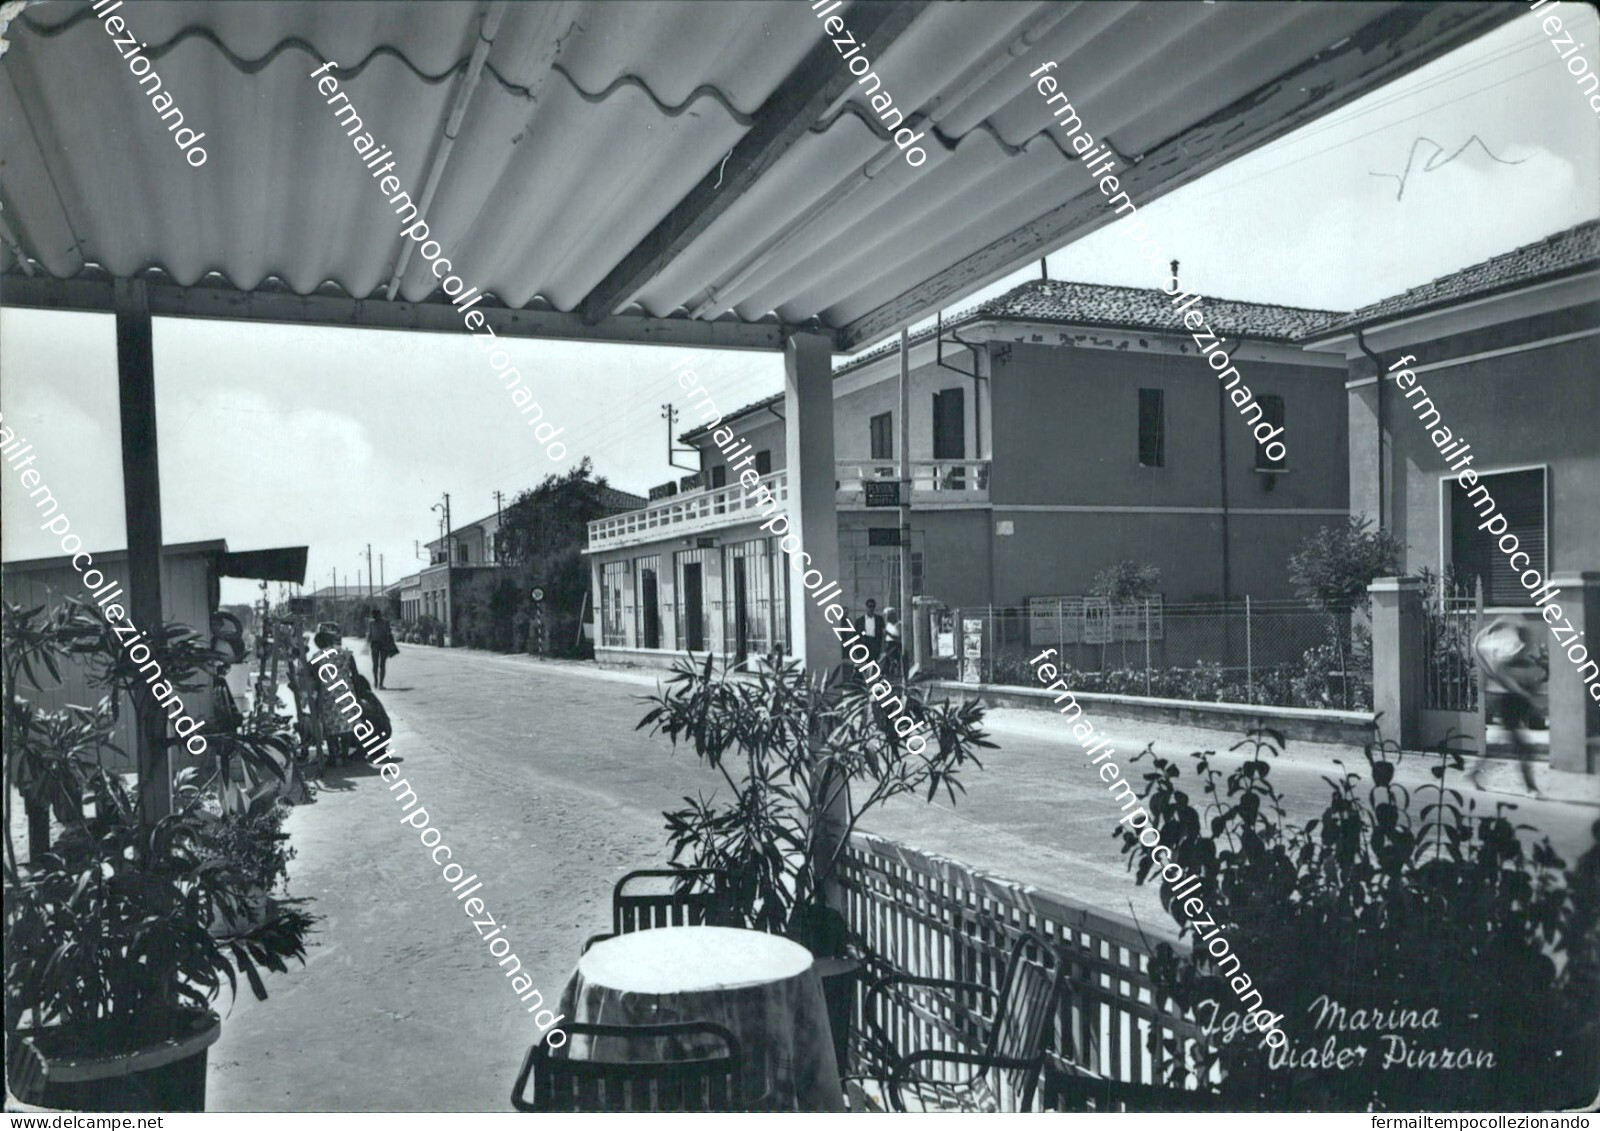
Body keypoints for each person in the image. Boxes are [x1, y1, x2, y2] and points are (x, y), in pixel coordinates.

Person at [1472, 616, 1546, 796]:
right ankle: (1531, 787)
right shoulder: (1513, 654)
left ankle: (1474, 773)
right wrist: (1523, 691)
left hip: (1517, 705)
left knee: (1501, 747)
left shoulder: (1528, 656)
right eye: (1527, 637)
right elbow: (1502, 674)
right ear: (1522, 638)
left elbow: (1531, 679)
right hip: (1508, 704)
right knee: (1523, 747)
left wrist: (1532, 692)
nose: (1530, 640)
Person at [311, 629, 360, 767]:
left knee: (330, 725)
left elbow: (314, 677)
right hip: (346, 692)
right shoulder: (346, 653)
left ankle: (332, 756)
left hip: (329, 694)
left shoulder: (317, 656)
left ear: (318, 644)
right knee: (346, 724)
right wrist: (357, 692)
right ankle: (345, 756)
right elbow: (355, 674)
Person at [367, 609, 398, 689]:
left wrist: (368, 642)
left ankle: (379, 683)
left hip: (380, 644)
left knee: (379, 664)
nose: (375, 617)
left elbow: (370, 634)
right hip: (379, 644)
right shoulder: (377, 623)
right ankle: (378, 682)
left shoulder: (374, 623)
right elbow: (388, 633)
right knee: (378, 664)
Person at [855, 598, 885, 663]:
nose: (871, 609)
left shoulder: (879, 619)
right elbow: (856, 636)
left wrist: (882, 648)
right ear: (866, 607)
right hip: (863, 644)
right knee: (864, 664)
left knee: (873, 663)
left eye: (873, 607)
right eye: (870, 606)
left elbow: (883, 634)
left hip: (875, 644)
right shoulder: (859, 621)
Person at [882, 605, 903, 680]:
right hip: (888, 645)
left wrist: (888, 634)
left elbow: (899, 638)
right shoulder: (887, 625)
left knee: (895, 662)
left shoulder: (899, 624)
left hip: (895, 646)